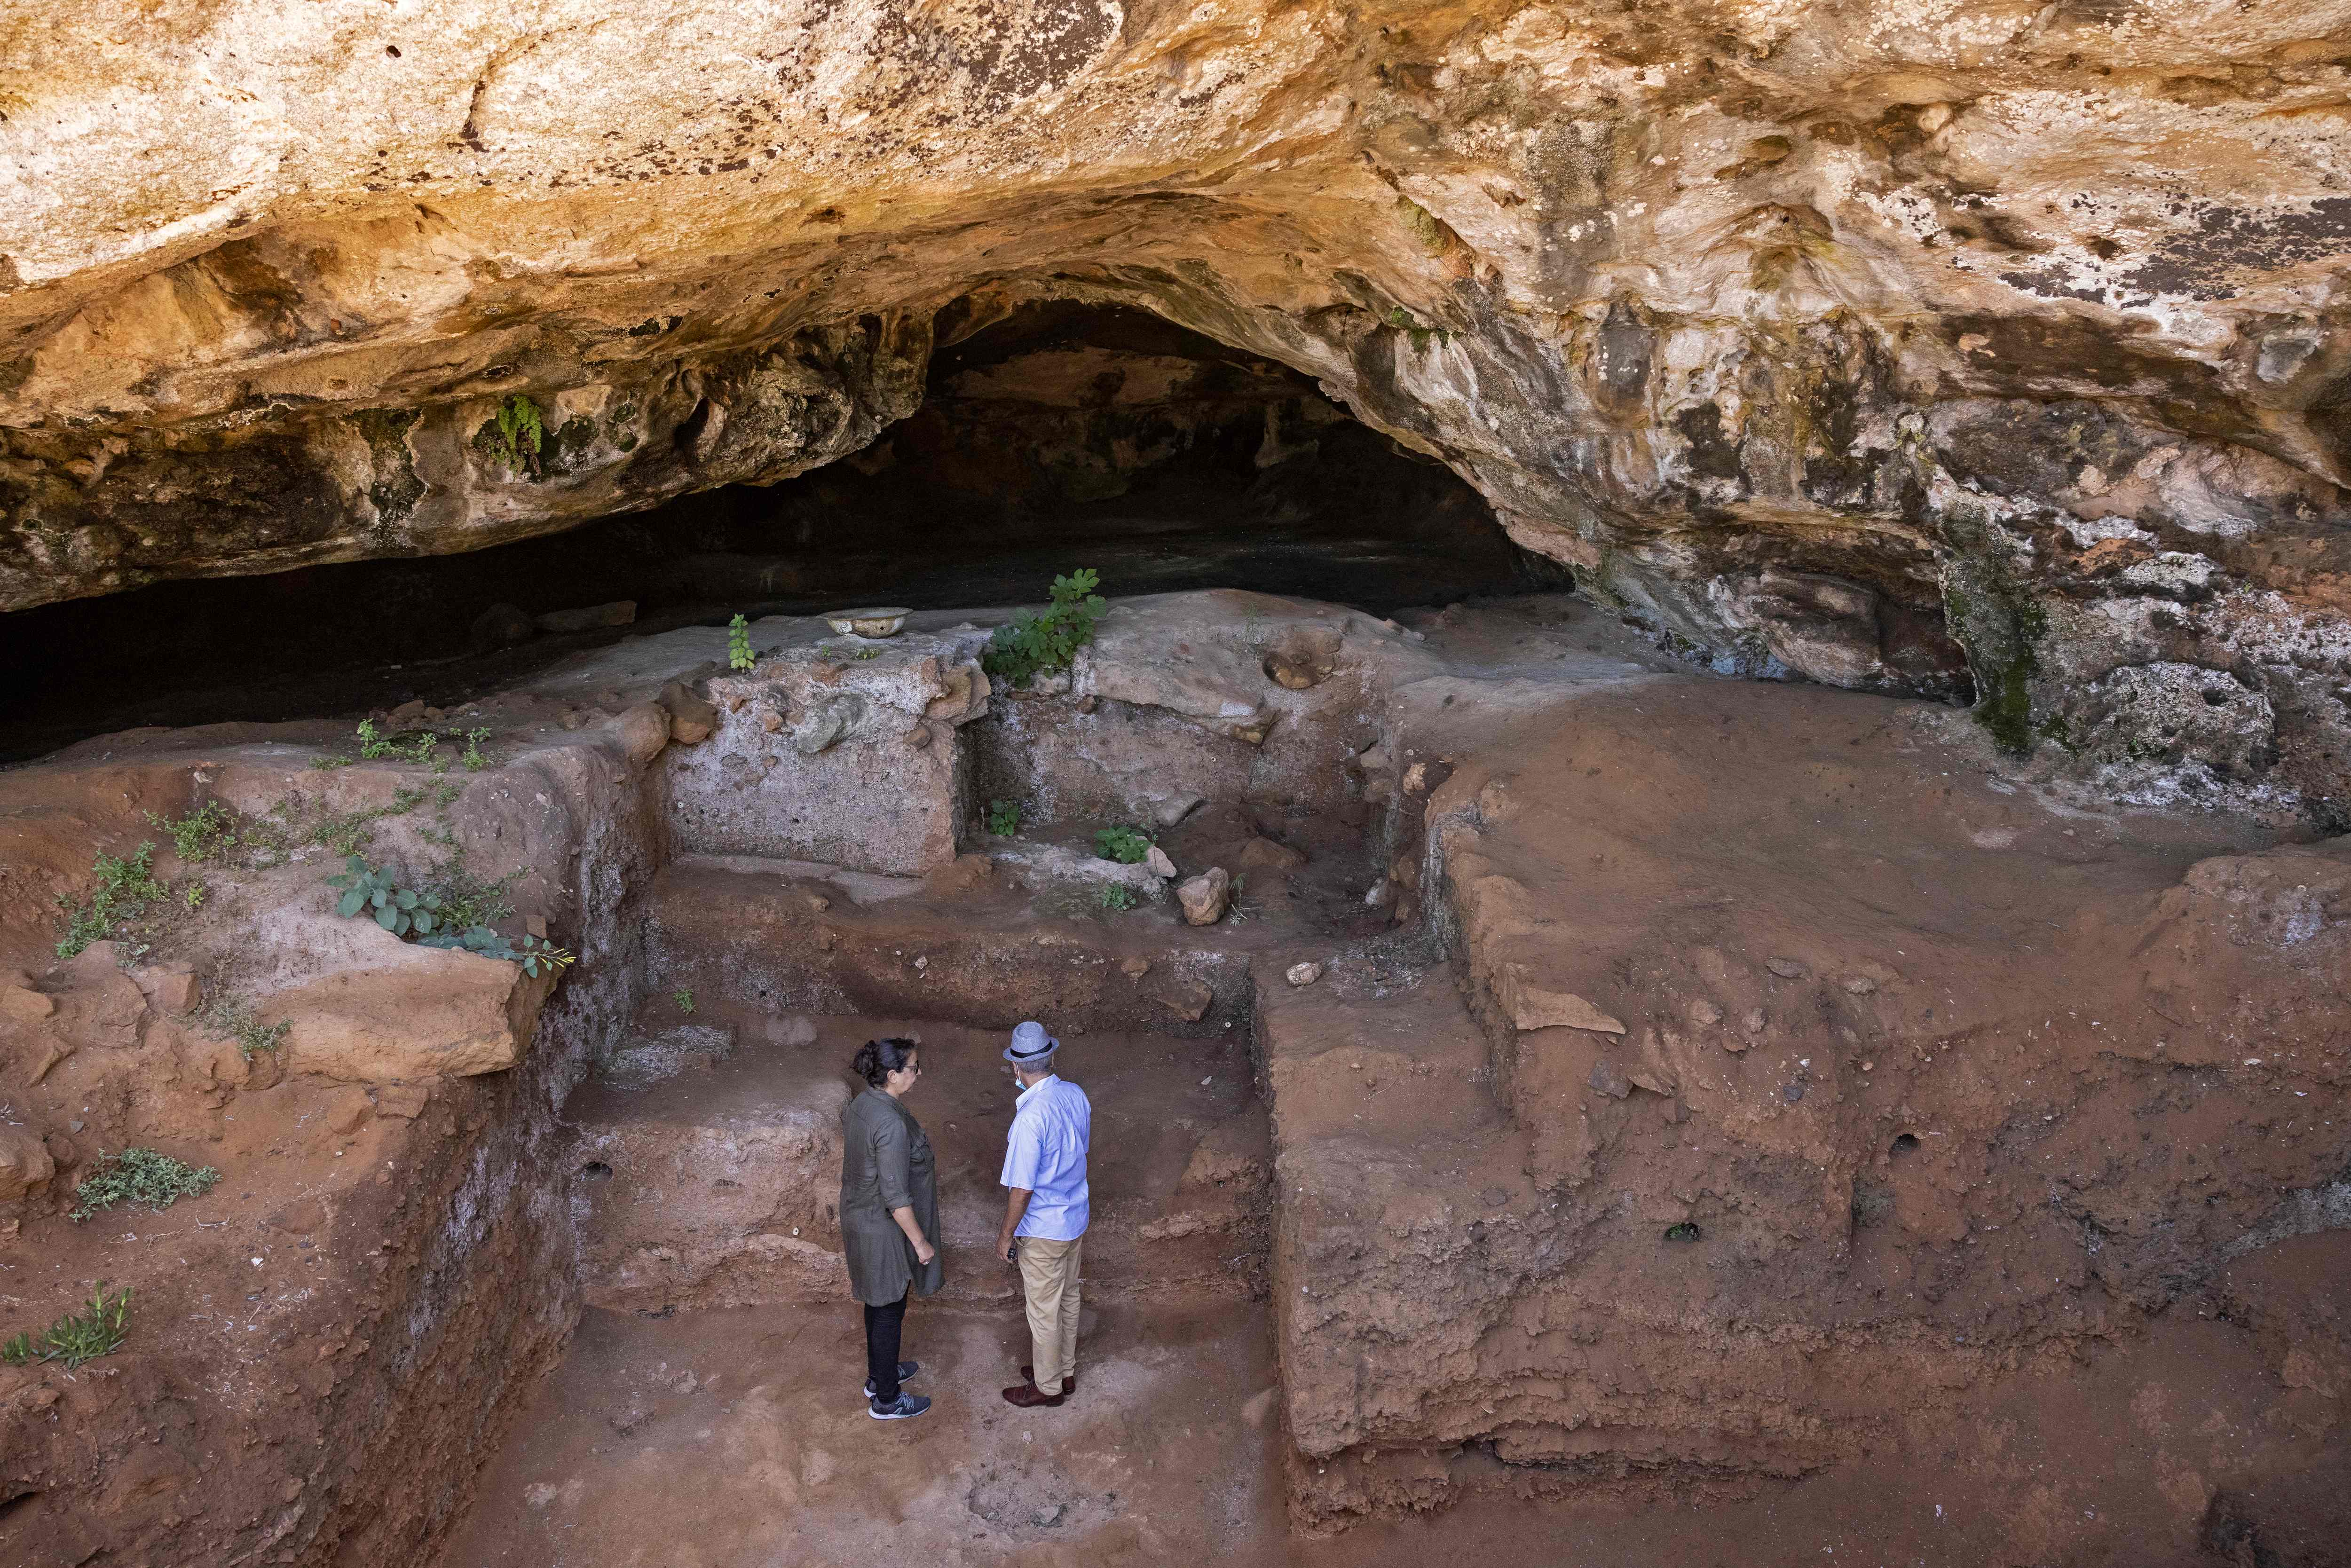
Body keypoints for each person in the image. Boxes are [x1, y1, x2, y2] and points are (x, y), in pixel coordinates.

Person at [839, 1036, 943, 1421]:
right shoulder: (891, 1124)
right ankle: (886, 1399)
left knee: (877, 1300)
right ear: (894, 1075)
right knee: (889, 1308)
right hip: (879, 1227)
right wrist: (921, 1243)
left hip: (858, 1215)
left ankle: (879, 1374)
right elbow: (896, 1198)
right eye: (914, 1068)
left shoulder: (862, 1104)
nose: (919, 1073)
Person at [995, 1020, 1092, 1408]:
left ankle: (1048, 1386)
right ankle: (1063, 1371)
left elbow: (1022, 1189)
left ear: (1016, 1067)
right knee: (1068, 1296)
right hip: (1074, 1217)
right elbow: (1080, 1151)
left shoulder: (1030, 1118)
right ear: (1051, 1057)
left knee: (1043, 1312)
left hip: (1043, 1230)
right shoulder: (1075, 1094)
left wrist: (1006, 1235)